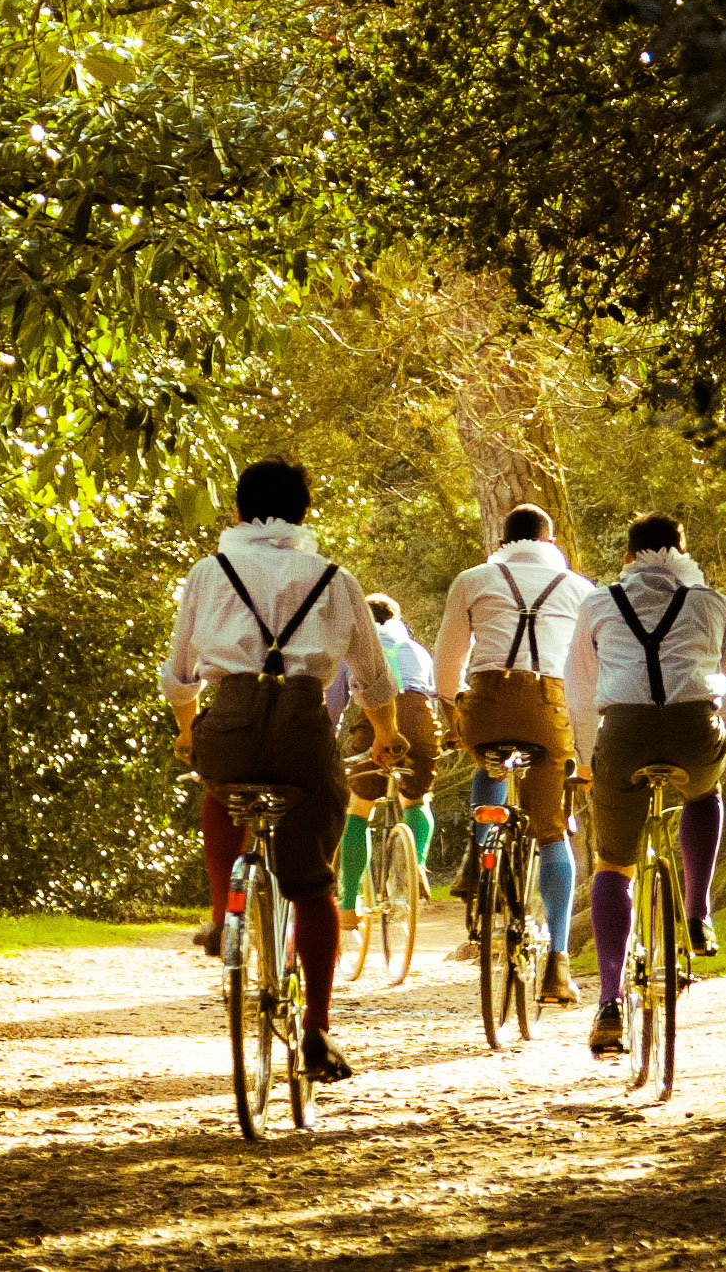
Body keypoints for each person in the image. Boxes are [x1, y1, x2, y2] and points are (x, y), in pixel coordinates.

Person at [162, 457, 407, 1083]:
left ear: (238, 511)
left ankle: (223, 916)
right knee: (313, 885)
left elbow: (180, 673)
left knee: (220, 789)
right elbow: (373, 676)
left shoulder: (209, 572)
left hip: (230, 723)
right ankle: (317, 1030)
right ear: (303, 514)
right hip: (303, 731)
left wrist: (188, 730)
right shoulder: (334, 578)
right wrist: (386, 735)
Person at [565, 512, 726, 1053]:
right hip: (695, 728)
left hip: (623, 734)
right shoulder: (714, 603)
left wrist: (585, 757)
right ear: (682, 554)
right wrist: (725, 722)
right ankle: (697, 914)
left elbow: (579, 689)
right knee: (704, 792)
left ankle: (609, 1002)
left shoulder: (598, 603)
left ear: (628, 558)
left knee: (613, 865)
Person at [434, 504, 595, 1004]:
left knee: (488, 759)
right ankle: (559, 964)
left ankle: (482, 857)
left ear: (501, 542)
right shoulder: (579, 588)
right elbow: (589, 671)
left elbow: (446, 664)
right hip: (549, 708)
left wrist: (455, 710)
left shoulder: (472, 579)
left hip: (485, 706)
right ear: (550, 542)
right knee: (551, 831)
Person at [330, 594, 442, 934]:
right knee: (416, 799)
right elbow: (434, 697)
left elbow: (335, 703)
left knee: (360, 808)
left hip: (376, 720)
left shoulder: (352, 650)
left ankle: (348, 906)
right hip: (420, 719)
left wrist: (327, 740)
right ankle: (415, 864)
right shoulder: (418, 650)